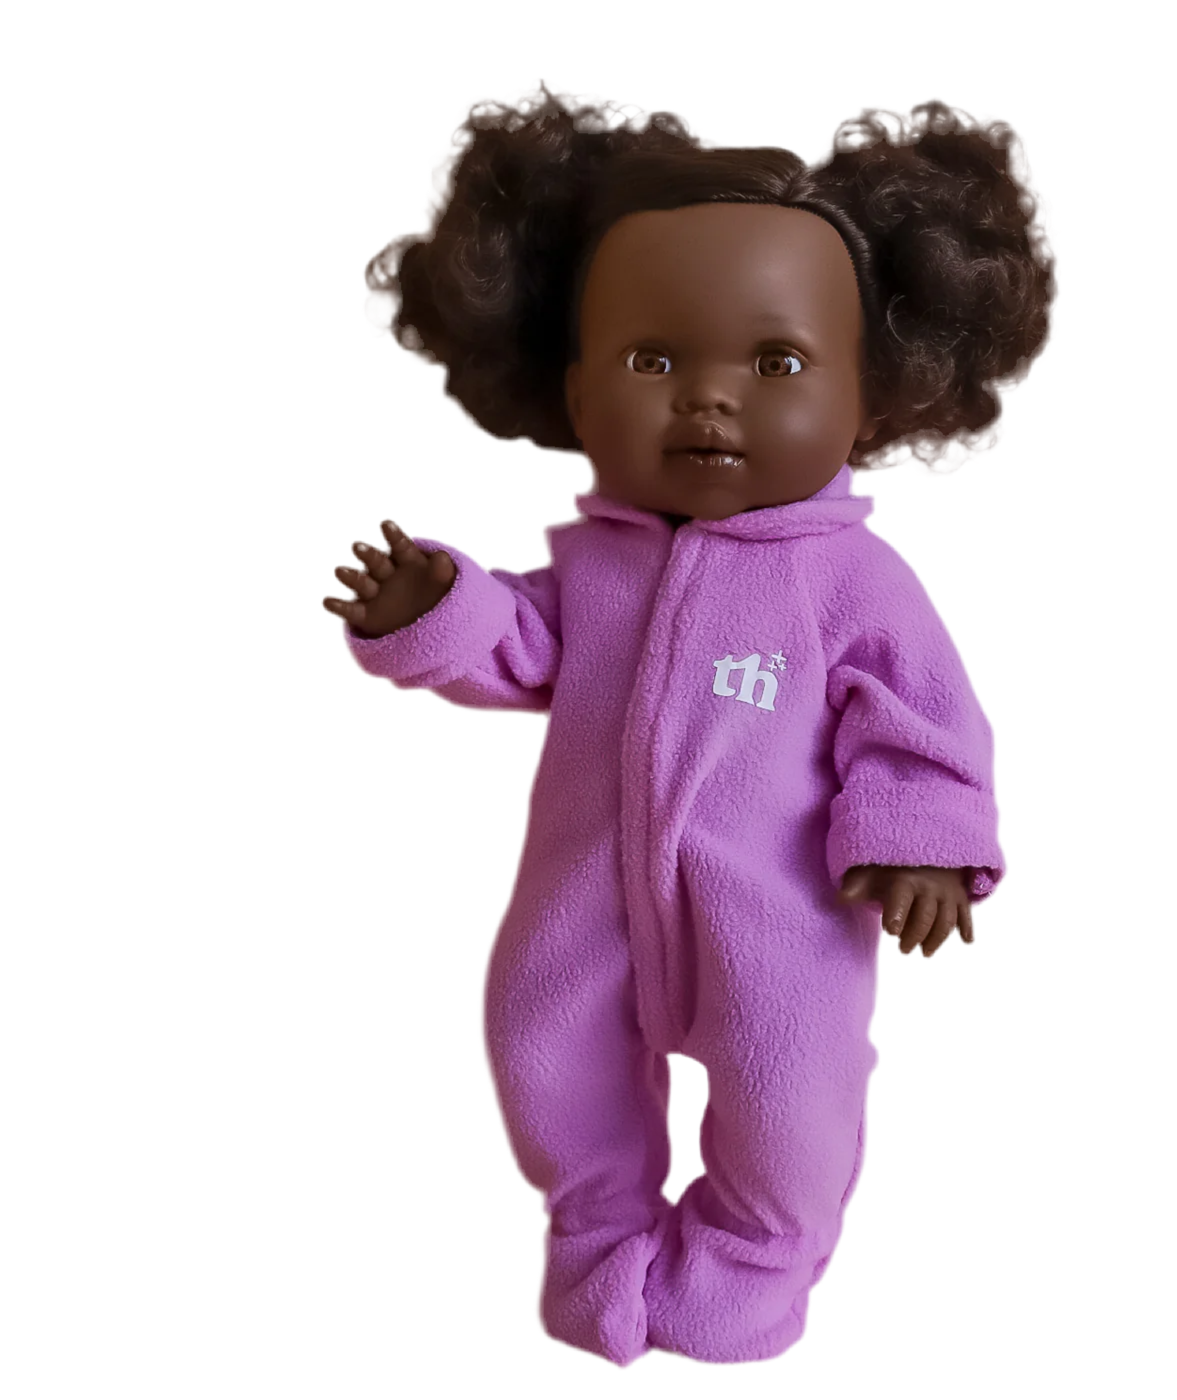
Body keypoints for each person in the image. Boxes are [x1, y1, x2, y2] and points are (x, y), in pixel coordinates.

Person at [322, 84, 1054, 1365]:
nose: (707, 399)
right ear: (573, 391)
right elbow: (521, 647)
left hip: (779, 921)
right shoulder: (595, 570)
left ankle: (745, 1272)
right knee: (543, 1056)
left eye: (774, 364)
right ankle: (599, 1235)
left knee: (792, 1110)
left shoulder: (848, 581)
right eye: (653, 361)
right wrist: (440, 607)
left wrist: (922, 842)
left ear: (871, 397)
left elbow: (920, 719)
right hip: (580, 907)